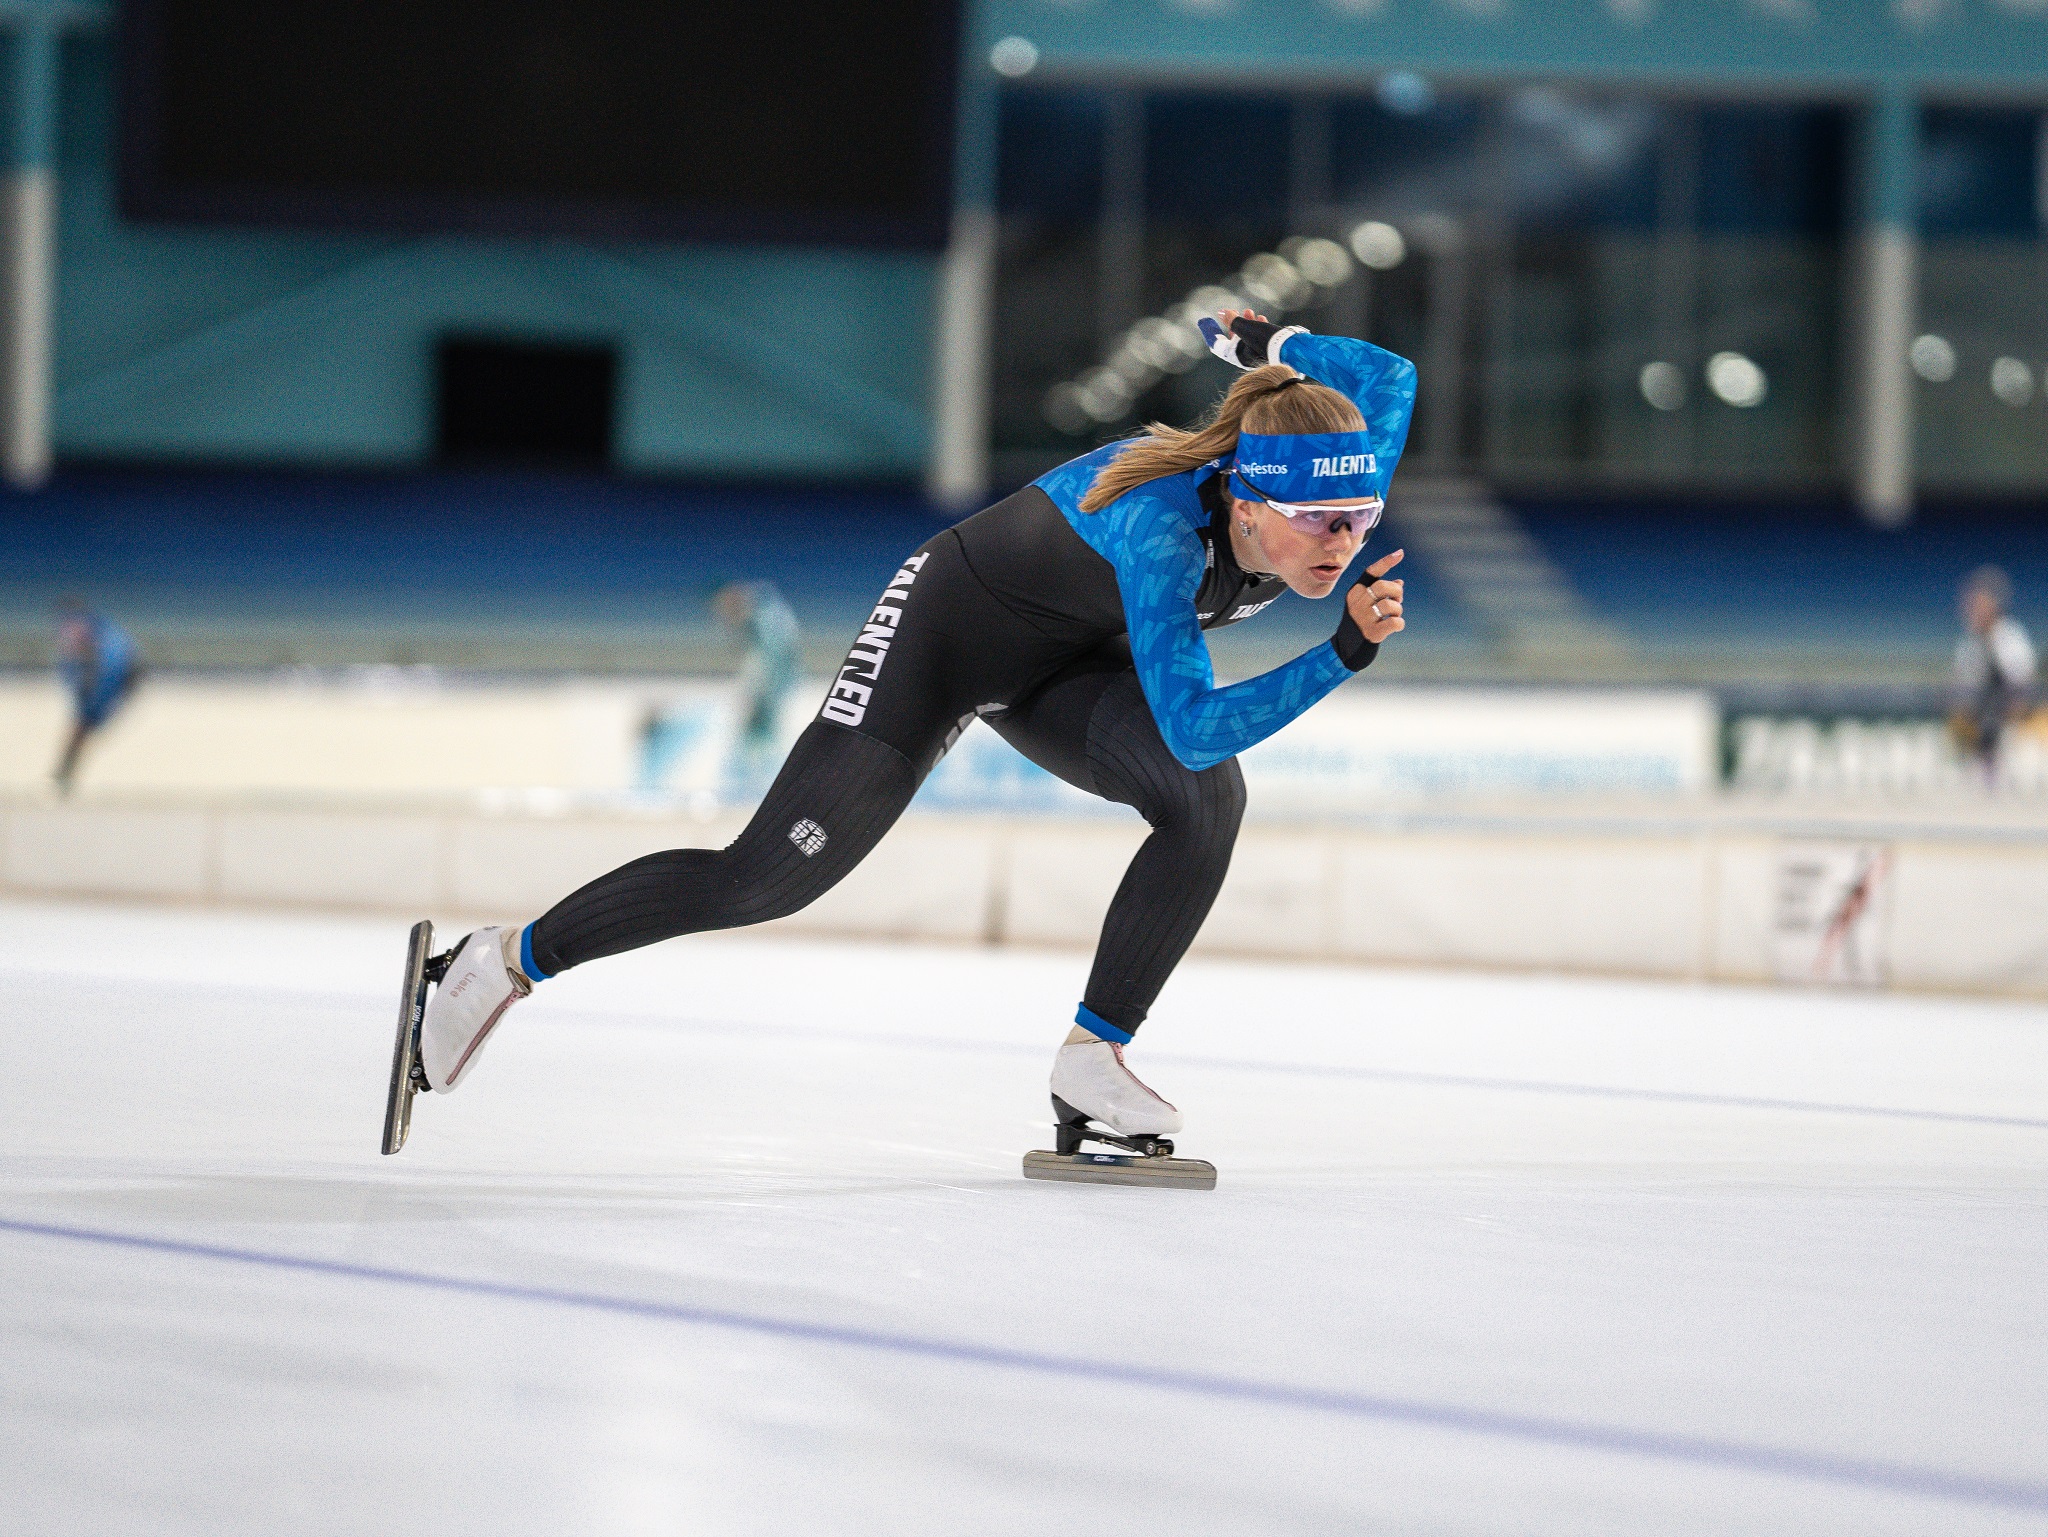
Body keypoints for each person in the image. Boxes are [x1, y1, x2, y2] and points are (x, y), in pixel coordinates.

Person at [409, 312, 1415, 1155]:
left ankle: (1090, 1059)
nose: (1341, 543)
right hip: (947, 634)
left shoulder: (1341, 455)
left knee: (1205, 803)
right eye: (1319, 519)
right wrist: (1341, 654)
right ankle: (498, 963)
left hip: (1073, 659)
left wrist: (1266, 341)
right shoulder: (1156, 530)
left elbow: (1386, 372)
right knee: (762, 876)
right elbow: (1192, 725)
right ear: (1244, 498)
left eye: (1360, 519)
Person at [713, 579, 802, 796]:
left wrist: (757, 693)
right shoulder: (770, 614)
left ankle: (755, 788)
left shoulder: (766, 621)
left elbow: (775, 661)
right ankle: (760, 786)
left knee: (760, 739)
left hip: (770, 689)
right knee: (758, 739)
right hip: (773, 687)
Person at [1951, 565, 2036, 785]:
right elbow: (1963, 691)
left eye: (1979, 603)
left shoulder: (2012, 638)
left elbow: (2022, 687)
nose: (1973, 610)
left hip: (2012, 722)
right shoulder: (1968, 645)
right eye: (1971, 604)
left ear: (1994, 605)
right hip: (1980, 724)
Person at [52, 598, 141, 796]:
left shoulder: (79, 624)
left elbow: (81, 648)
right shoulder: (108, 630)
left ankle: (65, 772)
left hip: (105, 677)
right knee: (83, 727)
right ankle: (66, 772)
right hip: (117, 675)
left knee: (82, 725)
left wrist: (81, 683)